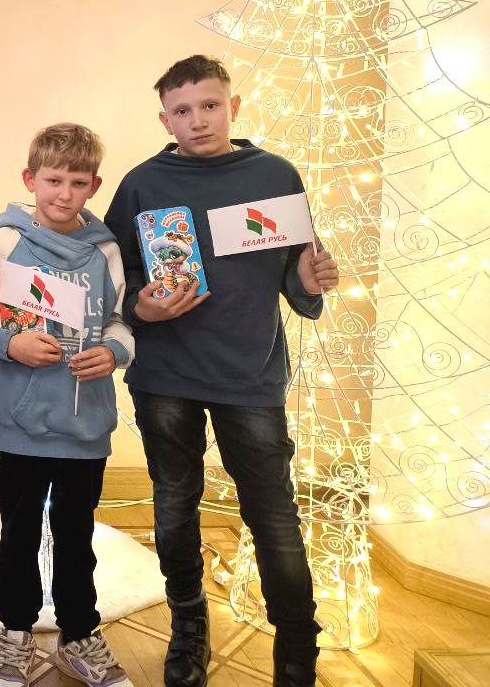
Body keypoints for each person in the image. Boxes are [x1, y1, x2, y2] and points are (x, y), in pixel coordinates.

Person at [103, 55, 339, 687]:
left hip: (250, 374)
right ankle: (189, 624)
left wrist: (311, 278)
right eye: (182, 111)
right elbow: (112, 281)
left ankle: (297, 647)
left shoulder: (276, 176)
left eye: (210, 106)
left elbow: (297, 274)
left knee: (273, 513)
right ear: (165, 119)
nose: (198, 120)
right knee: (174, 505)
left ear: (233, 107)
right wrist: (141, 307)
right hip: (165, 376)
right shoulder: (141, 185)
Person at [0, 124, 134, 687]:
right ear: (30, 179)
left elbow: (120, 321)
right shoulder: (1, 245)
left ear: (94, 186)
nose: (64, 193)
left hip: (85, 423)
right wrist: (7, 343)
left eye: (78, 183)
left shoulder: (106, 250)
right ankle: (15, 633)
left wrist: (113, 352)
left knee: (76, 537)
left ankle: (78, 634)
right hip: (19, 422)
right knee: (18, 534)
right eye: (53, 180)